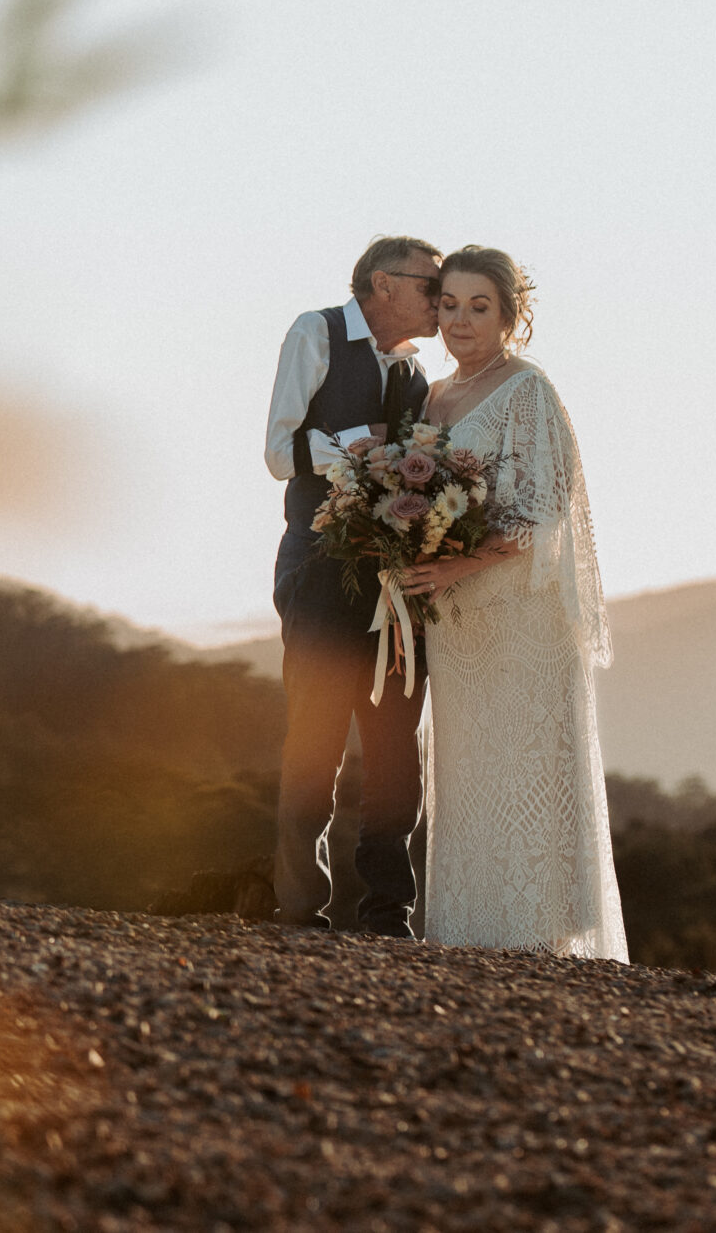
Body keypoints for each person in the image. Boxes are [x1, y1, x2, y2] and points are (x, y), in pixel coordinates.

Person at [396, 246, 627, 959]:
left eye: (479, 306)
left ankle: (543, 944)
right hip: (460, 627)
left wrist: (456, 564)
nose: (460, 320)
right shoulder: (431, 399)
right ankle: (470, 940)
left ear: (509, 316)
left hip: (522, 625)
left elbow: (540, 514)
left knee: (529, 775)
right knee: (470, 780)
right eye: (450, 304)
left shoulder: (528, 391)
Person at [264, 235, 442, 935]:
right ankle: (300, 907)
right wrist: (356, 443)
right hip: (317, 567)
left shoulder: (416, 374)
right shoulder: (317, 330)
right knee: (315, 739)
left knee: (398, 748)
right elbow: (280, 452)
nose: (439, 300)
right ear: (381, 282)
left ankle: (385, 913)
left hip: (395, 582)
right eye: (430, 285)